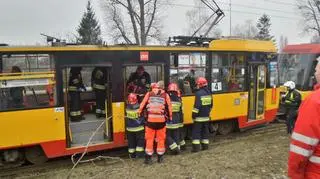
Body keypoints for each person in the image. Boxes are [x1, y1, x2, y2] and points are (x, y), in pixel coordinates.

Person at [288, 57, 320, 178]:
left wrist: (295, 174)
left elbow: (300, 148)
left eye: (316, 69)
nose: (315, 73)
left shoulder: (314, 101)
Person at [139, 81, 172, 164]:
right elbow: (169, 108)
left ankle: (148, 159)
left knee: (149, 139)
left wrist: (140, 114)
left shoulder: (149, 94)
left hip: (150, 121)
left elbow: (142, 105)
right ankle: (160, 158)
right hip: (161, 121)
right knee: (161, 139)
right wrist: (169, 118)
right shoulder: (165, 95)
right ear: (162, 87)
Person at [191, 77, 213, 152]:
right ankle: (205, 147)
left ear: (200, 85)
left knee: (196, 133)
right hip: (206, 117)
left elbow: (197, 106)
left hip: (199, 118)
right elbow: (211, 105)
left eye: (198, 84)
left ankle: (196, 149)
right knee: (205, 132)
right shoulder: (209, 93)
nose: (197, 86)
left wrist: (193, 115)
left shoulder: (198, 93)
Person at [125, 93, 145, 159]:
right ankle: (139, 155)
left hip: (130, 129)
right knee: (140, 141)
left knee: (131, 142)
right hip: (139, 128)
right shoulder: (139, 107)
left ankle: (131, 155)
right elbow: (143, 116)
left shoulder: (127, 107)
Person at [166, 83, 183, 155]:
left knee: (167, 136)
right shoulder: (179, 99)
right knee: (176, 136)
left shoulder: (167, 98)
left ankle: (174, 148)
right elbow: (180, 111)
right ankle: (178, 149)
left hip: (169, 121)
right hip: (176, 121)